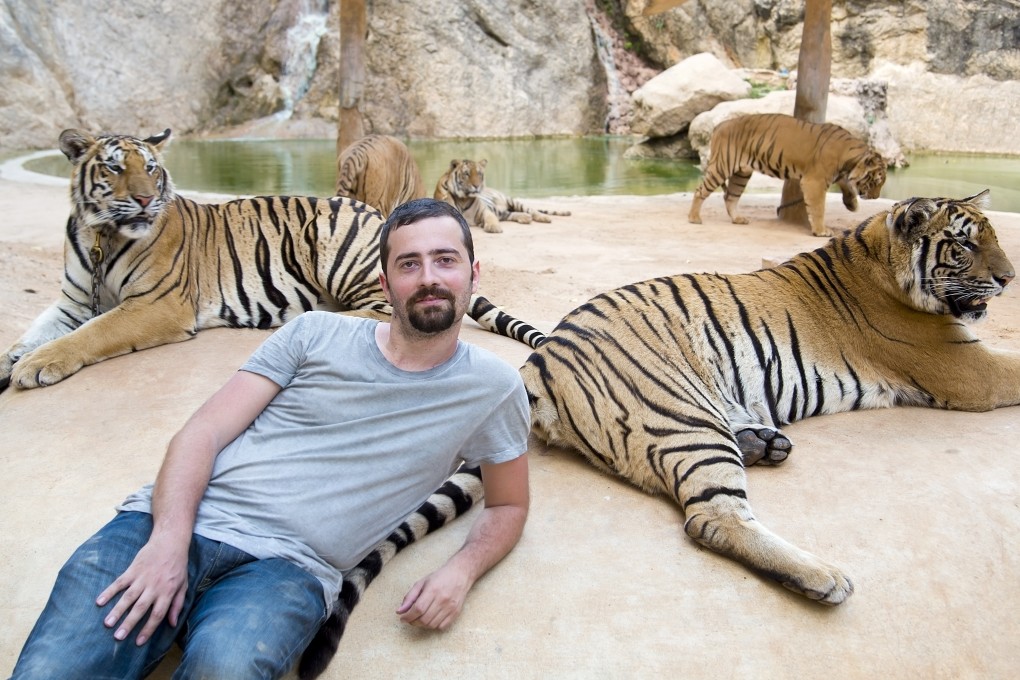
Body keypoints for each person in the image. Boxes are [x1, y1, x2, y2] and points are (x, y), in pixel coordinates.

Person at [10, 198, 531, 679]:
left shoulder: (493, 388)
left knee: (226, 667)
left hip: (290, 569)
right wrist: (168, 540)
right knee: (54, 669)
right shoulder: (313, 333)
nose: (429, 278)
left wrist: (461, 573)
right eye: (409, 263)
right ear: (384, 281)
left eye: (445, 260)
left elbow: (508, 504)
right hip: (182, 522)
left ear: (472, 273)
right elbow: (204, 431)